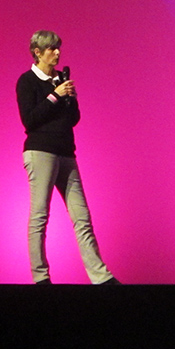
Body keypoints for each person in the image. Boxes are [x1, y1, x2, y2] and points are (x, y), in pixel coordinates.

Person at [16, 30, 119, 284]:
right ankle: (40, 278)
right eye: (52, 49)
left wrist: (70, 98)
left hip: (65, 152)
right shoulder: (27, 81)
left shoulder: (60, 81)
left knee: (81, 216)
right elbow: (29, 119)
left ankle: (100, 277)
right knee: (40, 215)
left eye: (59, 48)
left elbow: (73, 120)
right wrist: (55, 96)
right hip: (40, 151)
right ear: (37, 52)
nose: (58, 53)